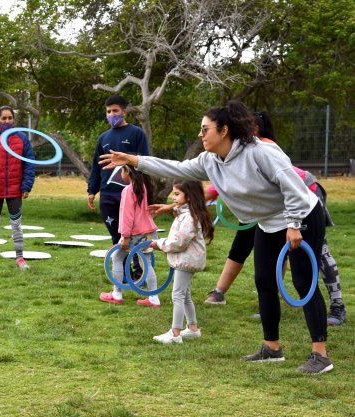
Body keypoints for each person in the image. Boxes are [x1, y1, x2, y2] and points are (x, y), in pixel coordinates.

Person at [100, 100, 333, 374]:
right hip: (268, 221)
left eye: (205, 129)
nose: (201, 135)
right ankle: (272, 348)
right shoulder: (210, 160)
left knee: (303, 281)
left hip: (302, 214)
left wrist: (293, 224)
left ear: (224, 131)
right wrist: (135, 160)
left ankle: (320, 355)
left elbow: (293, 186)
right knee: (264, 281)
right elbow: (176, 168)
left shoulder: (261, 152)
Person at [202, 111, 346, 326]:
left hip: (306, 193)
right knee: (251, 248)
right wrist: (181, 202)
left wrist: (294, 223)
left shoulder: (260, 147)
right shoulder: (227, 154)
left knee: (318, 254)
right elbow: (220, 182)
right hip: (267, 206)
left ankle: (337, 305)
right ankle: (253, 300)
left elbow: (289, 187)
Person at [87, 95, 149, 302]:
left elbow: (145, 163)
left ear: (124, 111)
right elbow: (96, 166)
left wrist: (143, 192)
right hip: (108, 195)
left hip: (132, 195)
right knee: (117, 238)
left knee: (136, 236)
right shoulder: (103, 138)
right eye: (108, 112)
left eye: (115, 110)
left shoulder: (137, 133)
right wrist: (91, 190)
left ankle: (139, 271)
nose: (112, 115)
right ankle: (120, 278)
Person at [148, 180, 213, 343]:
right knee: (185, 295)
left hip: (187, 261)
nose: (173, 197)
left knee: (177, 295)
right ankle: (193, 328)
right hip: (186, 260)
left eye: (177, 194)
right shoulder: (184, 214)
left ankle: (175, 333)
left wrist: (160, 244)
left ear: (189, 197)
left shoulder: (189, 217)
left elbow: (179, 242)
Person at [0, 106, 35, 270]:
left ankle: (19, 258)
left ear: (14, 120)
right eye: (4, 118)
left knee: (16, 224)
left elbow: (29, 164)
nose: (7, 121)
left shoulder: (22, 139)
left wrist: (26, 186)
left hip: (15, 190)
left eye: (10, 118)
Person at [102, 164, 161, 306]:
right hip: (147, 232)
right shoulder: (144, 188)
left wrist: (125, 236)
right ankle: (154, 298)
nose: (121, 174)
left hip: (134, 233)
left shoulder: (128, 190)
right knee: (146, 263)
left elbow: (127, 215)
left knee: (116, 257)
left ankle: (117, 294)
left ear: (127, 171)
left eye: (122, 170)